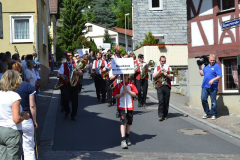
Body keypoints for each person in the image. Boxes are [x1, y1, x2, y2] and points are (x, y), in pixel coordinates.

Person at [0, 70, 30, 160]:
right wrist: (25, 116)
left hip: (1, 129)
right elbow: (16, 119)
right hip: (12, 131)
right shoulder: (14, 96)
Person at [112, 74, 138, 149]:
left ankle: (127, 138)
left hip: (130, 107)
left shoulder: (131, 84)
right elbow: (114, 96)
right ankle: (123, 140)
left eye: (126, 75)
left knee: (129, 123)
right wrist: (121, 94)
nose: (125, 77)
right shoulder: (118, 85)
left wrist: (127, 90)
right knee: (123, 122)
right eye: (124, 76)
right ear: (121, 76)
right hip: (121, 106)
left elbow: (135, 94)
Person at [57, 51, 83, 121]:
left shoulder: (76, 64)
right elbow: (58, 74)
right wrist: (63, 77)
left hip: (75, 84)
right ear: (65, 57)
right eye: (68, 55)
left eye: (71, 55)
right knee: (65, 99)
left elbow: (81, 73)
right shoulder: (63, 65)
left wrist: (77, 72)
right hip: (67, 84)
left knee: (75, 101)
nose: (70, 57)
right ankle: (67, 111)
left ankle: (73, 115)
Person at [199, 54, 222, 120]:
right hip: (205, 86)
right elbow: (202, 74)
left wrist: (213, 79)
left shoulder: (217, 66)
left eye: (213, 60)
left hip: (213, 87)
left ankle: (213, 114)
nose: (212, 61)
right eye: (211, 60)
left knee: (213, 101)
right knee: (203, 99)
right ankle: (207, 112)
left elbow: (220, 76)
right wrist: (199, 66)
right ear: (209, 60)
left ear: (215, 60)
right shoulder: (206, 67)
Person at [153, 56, 173, 121]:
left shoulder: (168, 67)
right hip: (159, 86)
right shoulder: (157, 68)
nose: (163, 63)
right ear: (159, 61)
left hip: (167, 86)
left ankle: (165, 114)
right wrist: (159, 71)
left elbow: (171, 78)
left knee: (166, 101)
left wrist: (167, 75)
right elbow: (154, 76)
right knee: (161, 100)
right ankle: (160, 115)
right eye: (162, 61)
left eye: (164, 61)